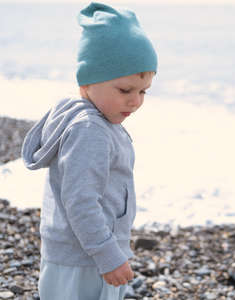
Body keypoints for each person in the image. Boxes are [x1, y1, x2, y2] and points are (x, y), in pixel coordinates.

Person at [21, 2, 157, 299]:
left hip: (84, 254)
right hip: (85, 259)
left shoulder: (102, 122)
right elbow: (80, 200)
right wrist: (108, 255)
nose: (136, 101)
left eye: (143, 91)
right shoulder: (90, 130)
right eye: (125, 90)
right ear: (87, 83)